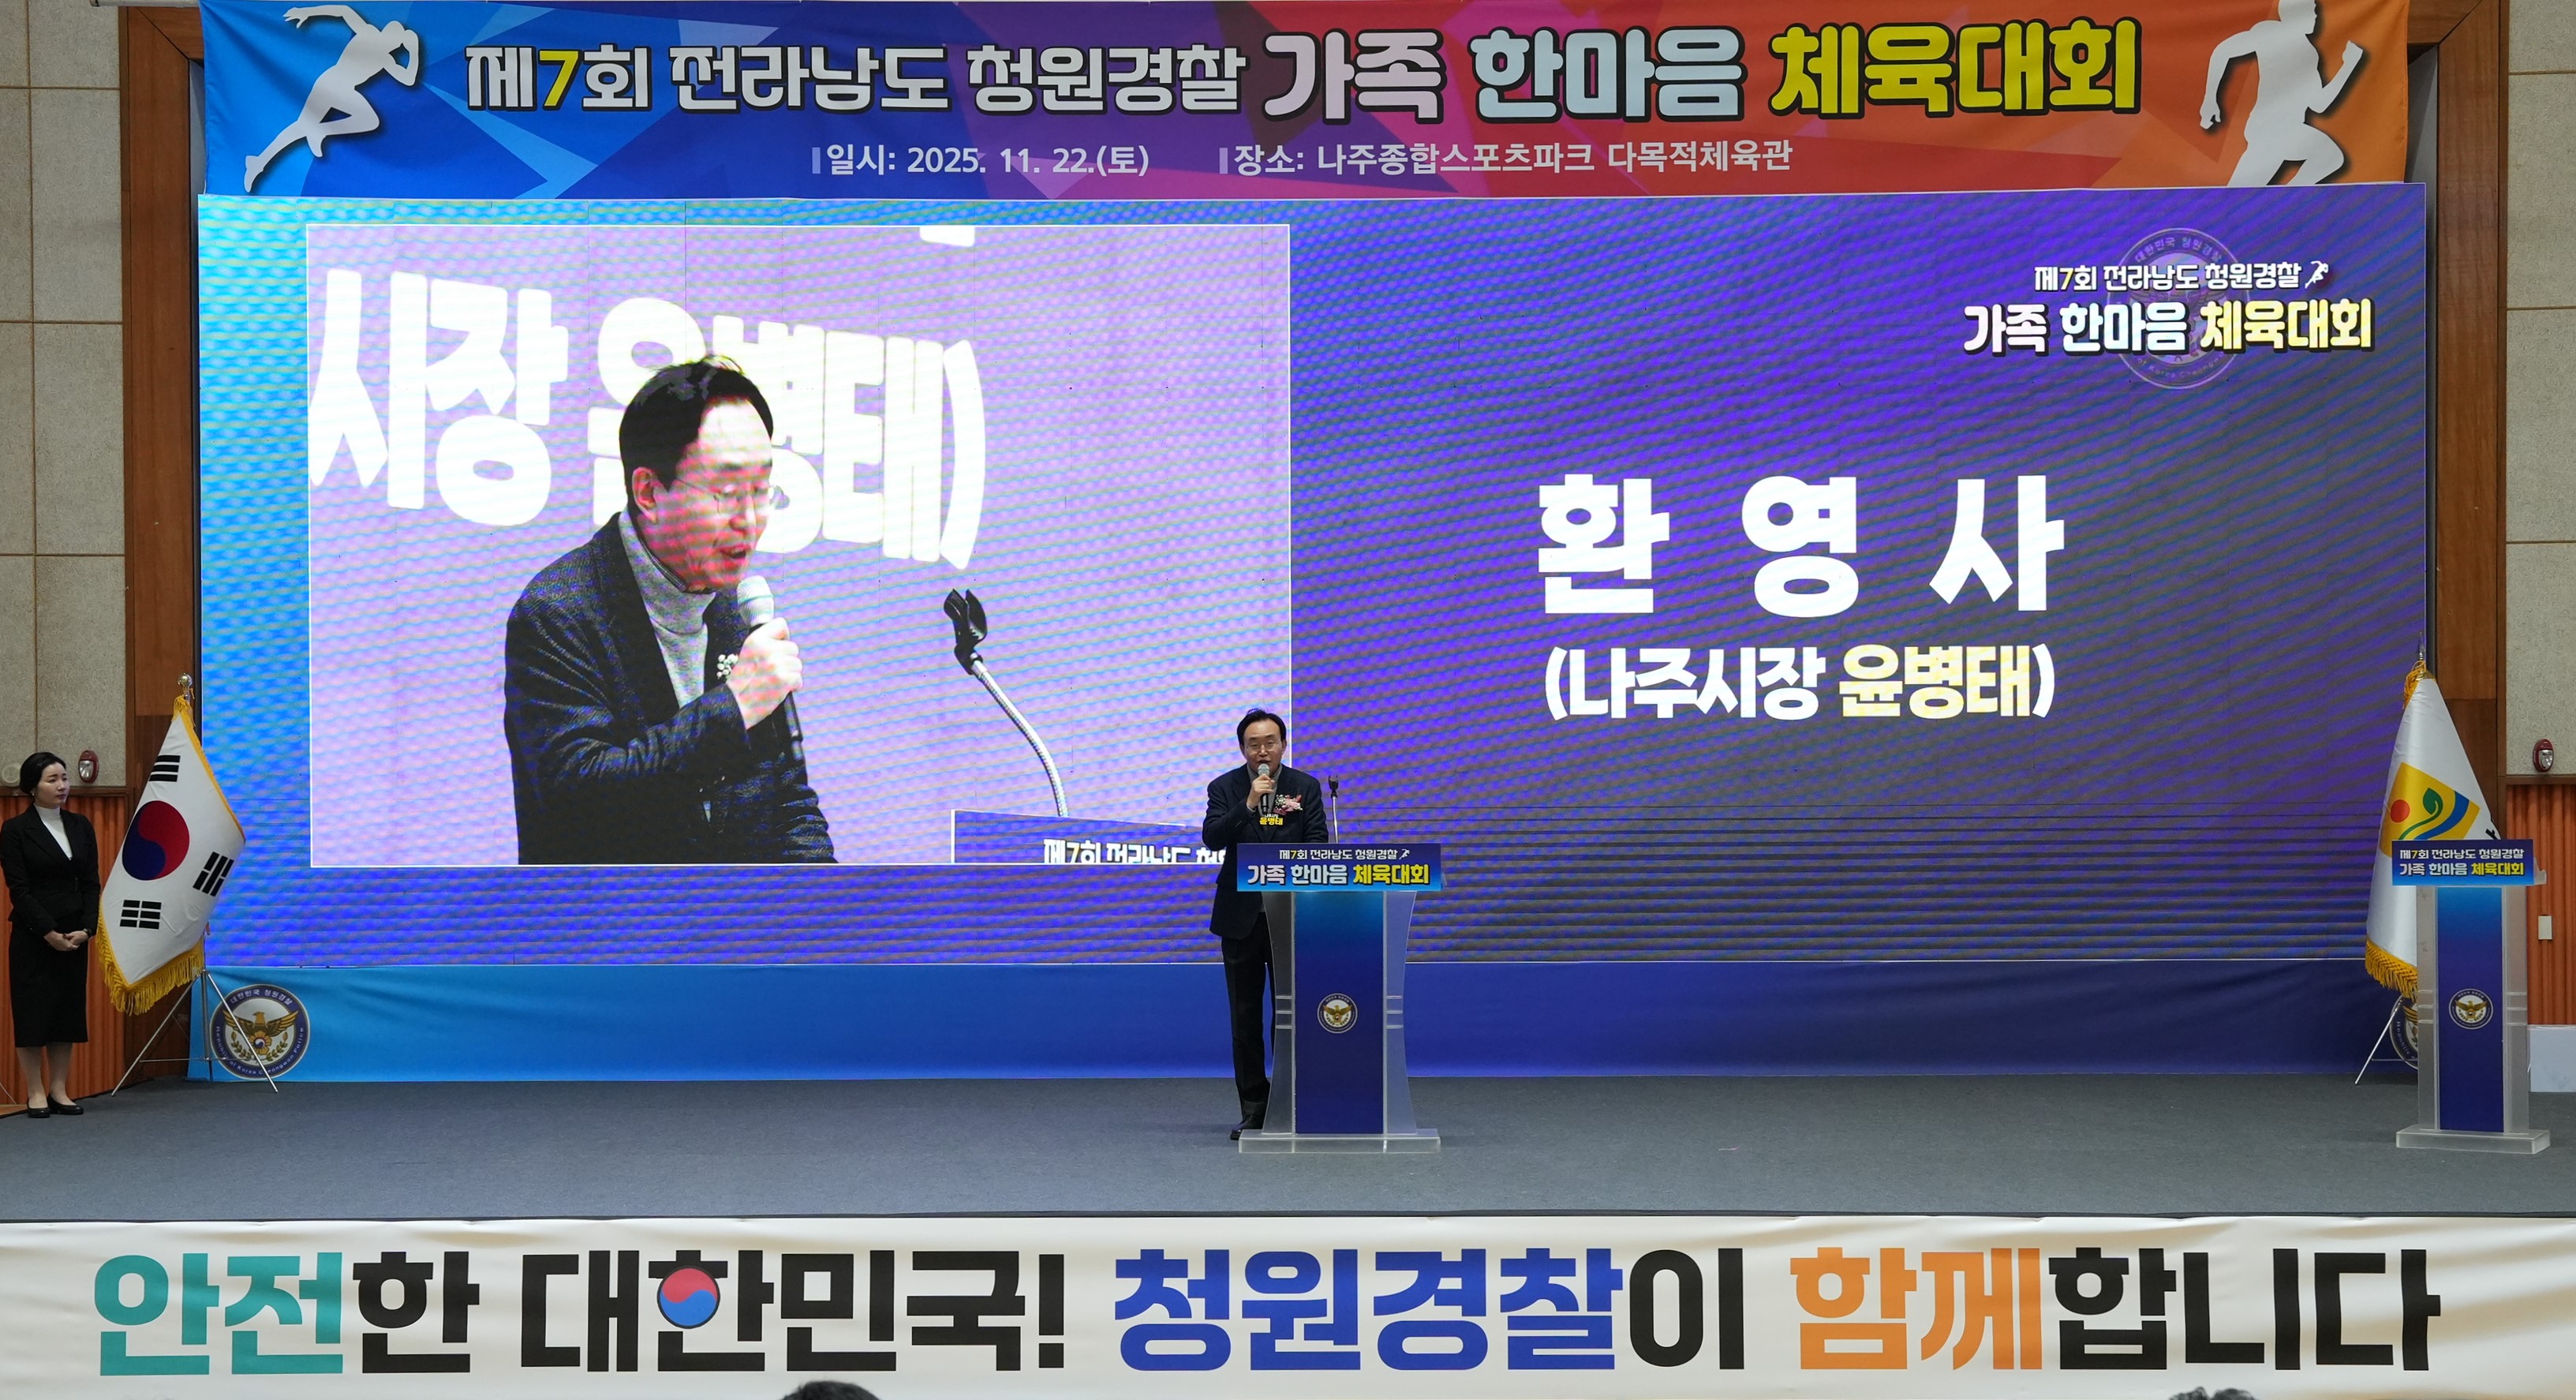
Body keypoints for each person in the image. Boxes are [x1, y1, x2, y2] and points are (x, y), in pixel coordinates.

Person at [504, 357, 835, 864]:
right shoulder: (559, 613)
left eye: (761, 490)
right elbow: (581, 802)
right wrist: (733, 708)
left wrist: (829, 901)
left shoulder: (735, 616)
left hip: (733, 917)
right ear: (649, 492)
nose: (750, 519)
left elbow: (788, 805)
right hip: (611, 914)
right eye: (727, 492)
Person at [1201, 709, 1329, 1138]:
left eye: (1270, 742)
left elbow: (1318, 844)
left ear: (1283, 745)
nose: (1262, 751)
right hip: (1241, 918)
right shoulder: (1224, 788)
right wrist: (1249, 804)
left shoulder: (1305, 787)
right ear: (1243, 749)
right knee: (1245, 1018)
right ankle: (1254, 1108)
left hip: (1291, 916)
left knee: (1289, 1014)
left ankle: (1291, 1103)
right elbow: (1213, 838)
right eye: (1253, 744)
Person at [2, 753, 98, 1117]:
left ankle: (59, 1089)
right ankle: (35, 1091)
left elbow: (91, 883)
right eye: (52, 780)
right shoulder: (15, 830)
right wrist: (48, 932)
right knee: (33, 1013)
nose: (62, 786)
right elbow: (19, 889)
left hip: (75, 934)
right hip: (34, 934)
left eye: (64, 778)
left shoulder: (80, 825)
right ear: (32, 787)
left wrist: (87, 929)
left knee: (65, 1012)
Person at [2199, 0, 2365, 186]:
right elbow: (2224, 51)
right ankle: (2280, 198)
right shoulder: (2271, 32)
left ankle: (2286, 197)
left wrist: (2349, 65)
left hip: (2290, 130)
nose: (2316, 16)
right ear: (2296, 14)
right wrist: (2210, 99)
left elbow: (2320, 104)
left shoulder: (2310, 54)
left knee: (2329, 156)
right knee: (2237, 196)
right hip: (2269, 129)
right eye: (2312, 11)